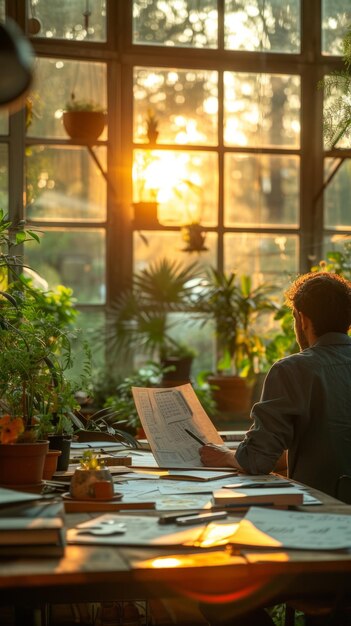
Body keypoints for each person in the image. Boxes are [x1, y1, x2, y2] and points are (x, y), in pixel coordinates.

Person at [200, 271, 351, 498]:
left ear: (302, 319)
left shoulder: (292, 370)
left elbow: (257, 460)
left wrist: (225, 455)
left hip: (322, 506)